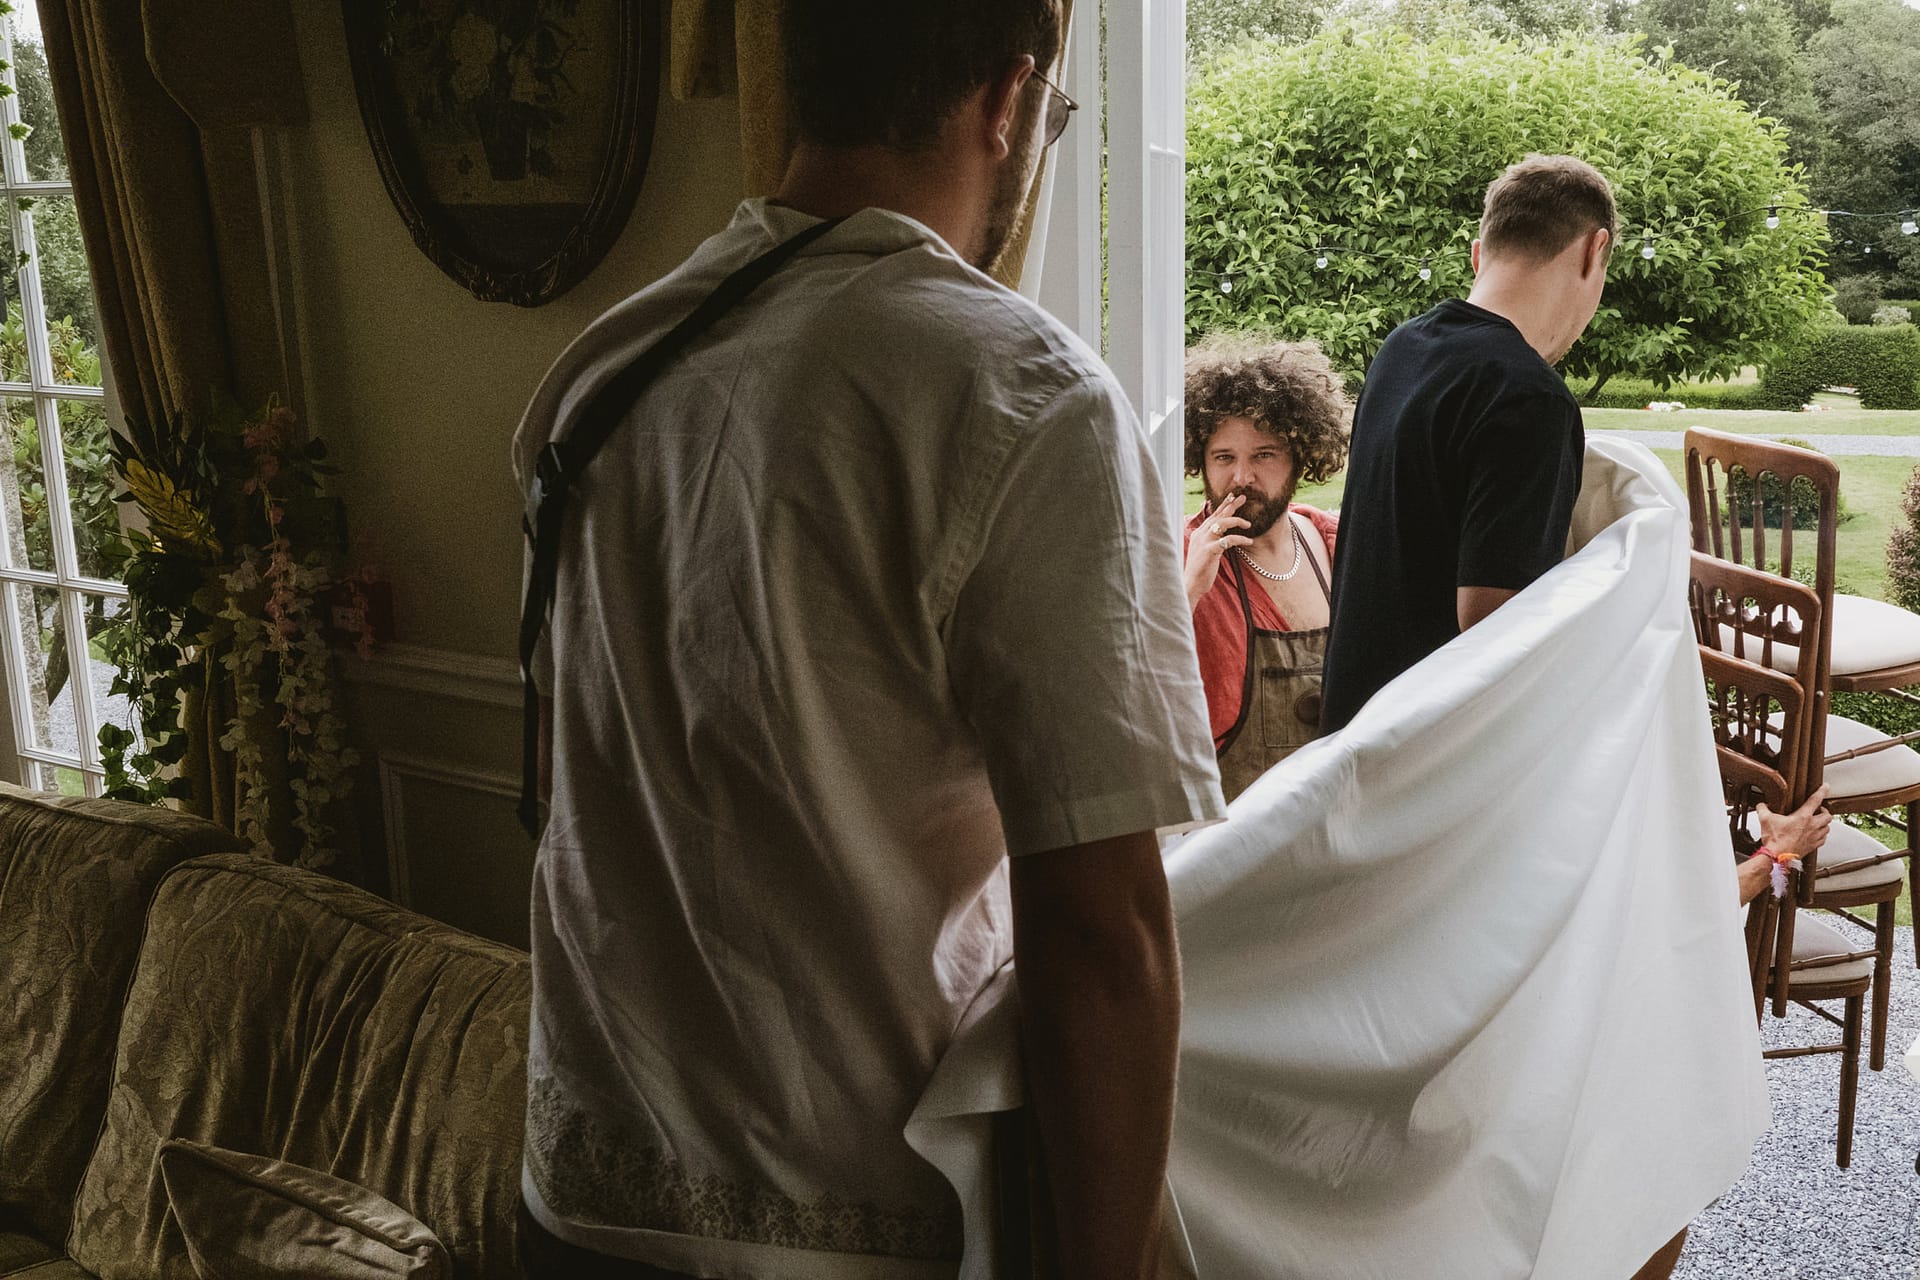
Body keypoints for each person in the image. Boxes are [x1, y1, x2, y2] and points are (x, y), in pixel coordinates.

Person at [510, 1, 1225, 1276]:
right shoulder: (1025, 396)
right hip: (843, 1218)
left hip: (576, 1199)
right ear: (1006, 101)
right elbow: (1102, 932)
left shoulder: (597, 370)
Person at [1321, 154, 1614, 735]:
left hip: (1354, 731)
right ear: (1593, 250)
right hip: (1433, 751)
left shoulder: (1402, 348)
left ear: (1480, 255)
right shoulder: (1529, 397)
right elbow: (1494, 627)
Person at [1181, 336, 1350, 800]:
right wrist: (1188, 589)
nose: (1242, 478)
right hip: (1231, 829)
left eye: (1264, 455)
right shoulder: (1175, 553)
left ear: (1300, 457)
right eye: (1224, 457)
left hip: (1332, 813)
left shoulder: (1335, 542)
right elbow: (1131, 692)